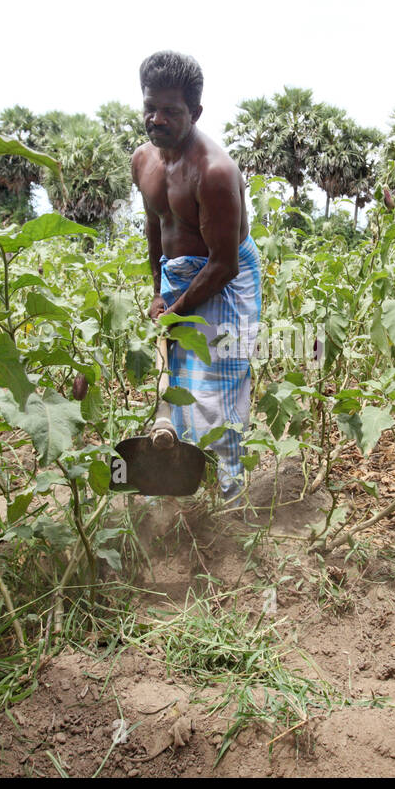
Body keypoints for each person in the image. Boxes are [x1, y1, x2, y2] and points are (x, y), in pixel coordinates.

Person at [130, 51, 261, 502]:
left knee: (216, 391)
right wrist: (158, 292)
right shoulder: (143, 161)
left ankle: (231, 500)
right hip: (179, 275)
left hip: (224, 280)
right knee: (179, 387)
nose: (156, 118)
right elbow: (155, 225)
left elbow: (224, 265)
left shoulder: (215, 172)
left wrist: (179, 310)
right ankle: (185, 489)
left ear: (196, 113)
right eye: (151, 107)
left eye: (171, 111)